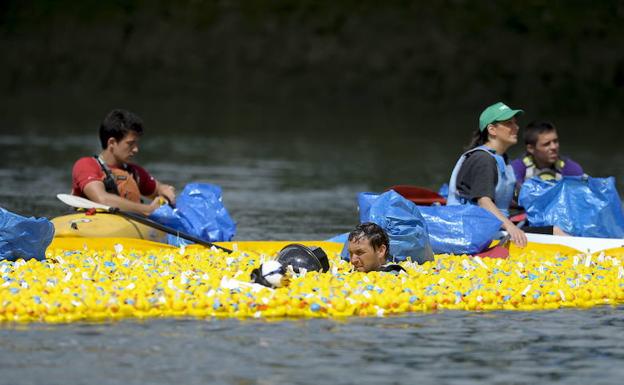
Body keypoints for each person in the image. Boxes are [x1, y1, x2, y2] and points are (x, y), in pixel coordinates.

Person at [447, 102, 528, 247]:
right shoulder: (483, 159)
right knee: (554, 231)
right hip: (467, 231)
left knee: (553, 228)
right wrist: (511, 227)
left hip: (491, 227)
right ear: (492, 130)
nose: (516, 127)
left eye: (515, 123)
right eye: (509, 123)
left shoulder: (502, 159)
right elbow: (483, 202)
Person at [71, 109, 176, 215]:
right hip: (87, 223)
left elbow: (160, 189)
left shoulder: (135, 172)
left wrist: (165, 191)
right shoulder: (86, 165)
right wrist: (147, 209)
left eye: (136, 144)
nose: (136, 149)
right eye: (130, 144)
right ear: (112, 142)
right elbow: (102, 199)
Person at [511, 120, 584, 188]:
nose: (554, 147)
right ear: (531, 149)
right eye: (546, 144)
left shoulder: (571, 169)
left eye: (555, 141)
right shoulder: (516, 169)